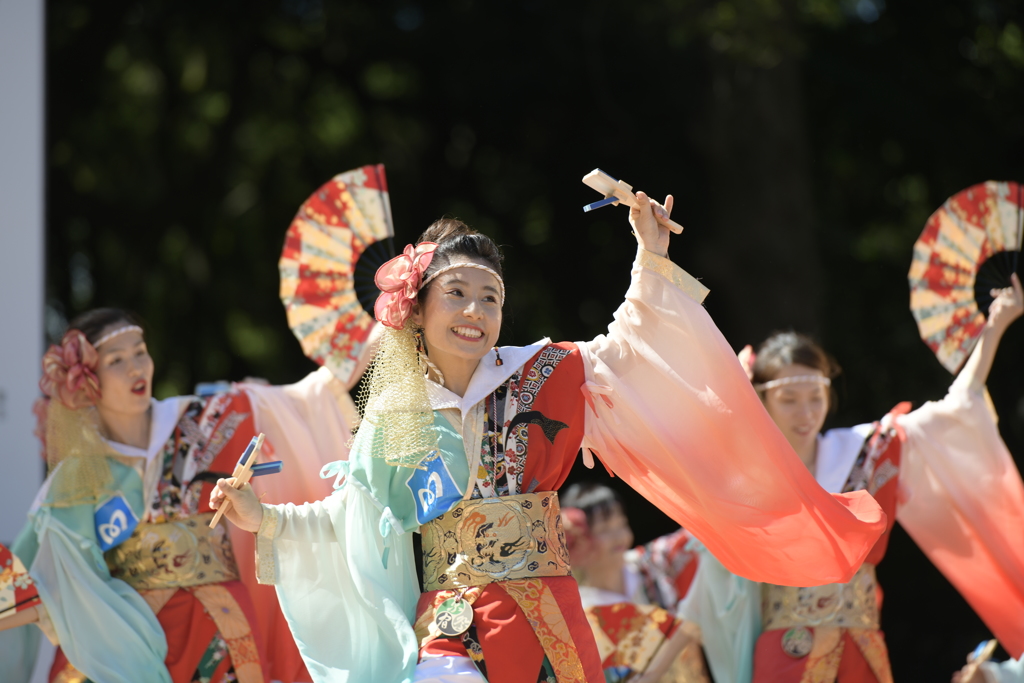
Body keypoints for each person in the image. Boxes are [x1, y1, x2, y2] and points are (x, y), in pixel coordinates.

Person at [211, 190, 887, 683]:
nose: (476, 310)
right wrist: (264, 518)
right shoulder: (394, 411)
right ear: (418, 307)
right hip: (451, 619)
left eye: (491, 296)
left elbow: (630, 348)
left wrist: (649, 260)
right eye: (458, 293)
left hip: (545, 610)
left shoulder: (547, 371)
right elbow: (356, 513)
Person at [692, 274, 1024, 683]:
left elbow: (950, 411)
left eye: (816, 397)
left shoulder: (866, 449)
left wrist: (995, 328)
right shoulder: (747, 477)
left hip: (861, 643)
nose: (805, 412)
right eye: (789, 399)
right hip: (788, 648)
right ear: (761, 398)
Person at [0, 308, 361, 683]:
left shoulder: (200, 420)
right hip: (135, 645)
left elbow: (303, 400)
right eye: (117, 360)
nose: (136, 367)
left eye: (140, 351)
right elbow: (37, 577)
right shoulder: (79, 476)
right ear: (88, 381)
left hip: (221, 635)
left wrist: (386, 329)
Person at [561, 482, 709, 683]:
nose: (619, 536)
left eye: (621, 524)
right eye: (604, 529)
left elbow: (700, 538)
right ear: (578, 540)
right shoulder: (578, 611)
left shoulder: (653, 563)